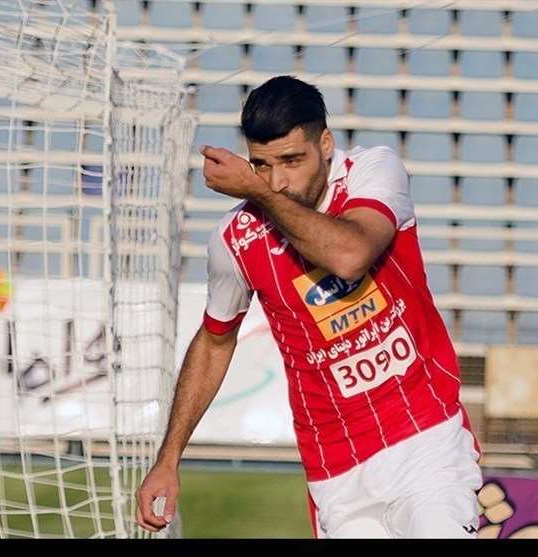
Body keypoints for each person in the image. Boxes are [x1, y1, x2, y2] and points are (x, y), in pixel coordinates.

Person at [135, 75, 483, 539]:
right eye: (261, 165)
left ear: (326, 143)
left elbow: (350, 255)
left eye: (292, 160)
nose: (277, 181)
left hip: (427, 441)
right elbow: (215, 342)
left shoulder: (372, 171)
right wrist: (168, 458)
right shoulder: (235, 240)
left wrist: (257, 192)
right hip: (336, 471)